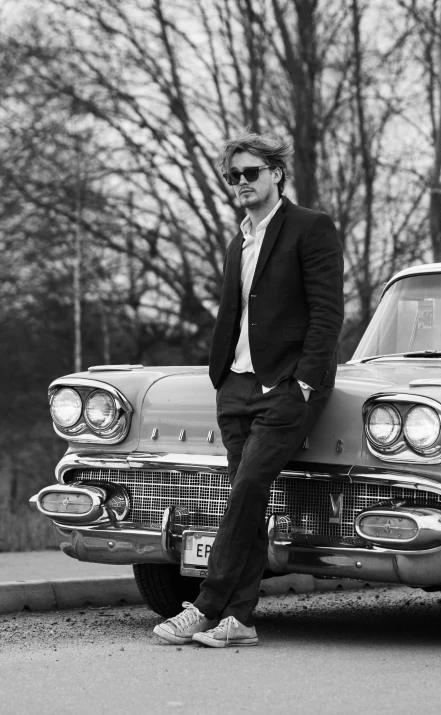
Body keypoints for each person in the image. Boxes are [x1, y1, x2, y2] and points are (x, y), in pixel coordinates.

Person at [154, 130, 344, 648]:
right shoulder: (239, 239)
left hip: (285, 385)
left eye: (250, 172)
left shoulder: (311, 227)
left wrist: (305, 382)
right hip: (235, 386)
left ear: (276, 173)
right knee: (247, 498)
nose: (240, 182)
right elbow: (236, 314)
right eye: (232, 175)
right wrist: (221, 377)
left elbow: (328, 312)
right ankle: (240, 620)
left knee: (246, 490)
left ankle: (206, 604)